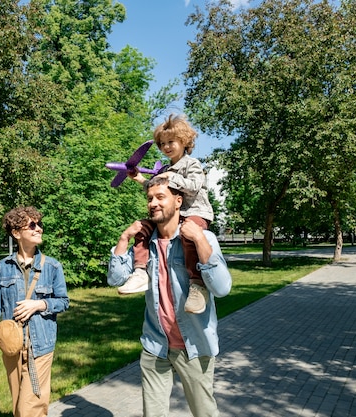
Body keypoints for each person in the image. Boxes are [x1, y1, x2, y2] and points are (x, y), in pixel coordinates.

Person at [107, 175, 232, 417]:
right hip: (156, 345)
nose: (153, 203)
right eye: (149, 198)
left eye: (160, 197)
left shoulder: (202, 238)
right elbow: (116, 279)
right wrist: (124, 239)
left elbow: (221, 288)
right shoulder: (145, 243)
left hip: (194, 345)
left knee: (204, 412)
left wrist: (198, 238)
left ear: (178, 201)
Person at [0, 206, 69, 417]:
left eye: (39, 224)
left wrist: (39, 304)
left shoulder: (52, 267)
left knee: (29, 410)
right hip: (12, 347)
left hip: (40, 347)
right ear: (16, 233)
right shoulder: (3, 267)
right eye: (32, 225)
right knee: (18, 408)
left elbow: (63, 301)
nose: (39, 229)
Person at [117, 114, 214, 315]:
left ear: (184, 141)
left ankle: (197, 285)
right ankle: (140, 272)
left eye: (171, 142)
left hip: (195, 212)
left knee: (189, 233)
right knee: (143, 227)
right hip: (173, 215)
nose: (166, 147)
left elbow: (195, 186)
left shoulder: (191, 164)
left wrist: (172, 177)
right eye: (162, 144)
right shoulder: (168, 168)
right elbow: (158, 190)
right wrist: (141, 179)